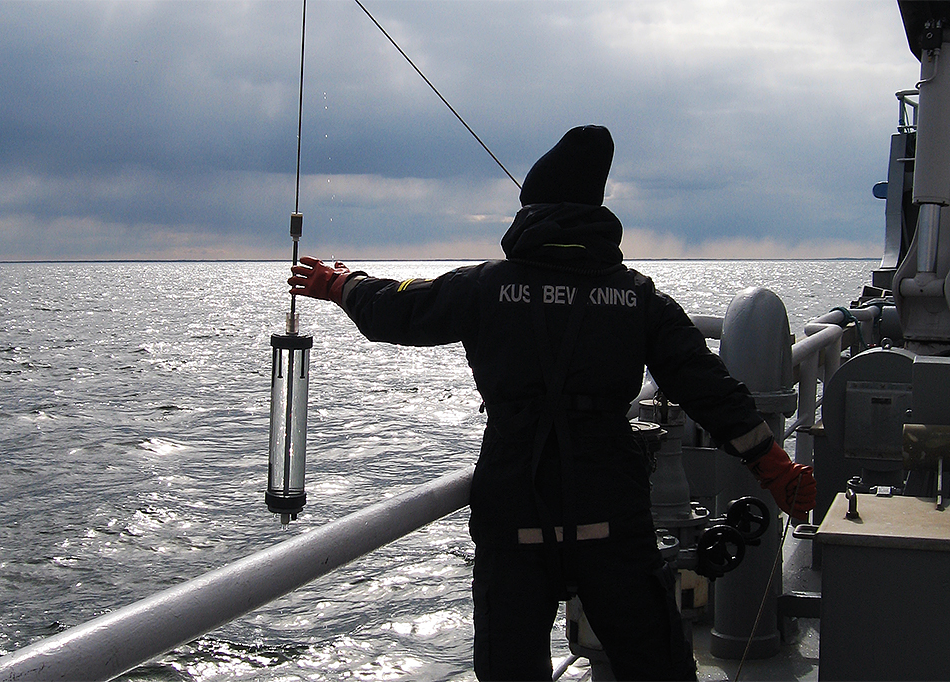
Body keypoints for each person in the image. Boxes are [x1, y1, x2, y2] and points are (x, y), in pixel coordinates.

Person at [288, 125, 816, 681]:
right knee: (657, 667)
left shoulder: (485, 288)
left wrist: (340, 282)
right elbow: (708, 387)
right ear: (595, 215)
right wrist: (771, 464)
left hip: (514, 507)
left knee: (510, 667)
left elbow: (397, 311)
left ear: (531, 213)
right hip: (611, 511)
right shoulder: (638, 298)